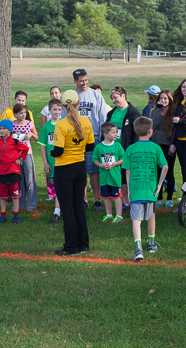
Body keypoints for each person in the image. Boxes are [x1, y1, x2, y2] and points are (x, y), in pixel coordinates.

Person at [51, 89, 95, 256]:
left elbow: (59, 151)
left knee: (67, 208)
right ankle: (83, 244)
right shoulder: (86, 122)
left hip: (64, 169)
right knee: (78, 207)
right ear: (78, 103)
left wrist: (51, 153)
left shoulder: (61, 124)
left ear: (63, 105)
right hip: (80, 168)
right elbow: (90, 146)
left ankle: (71, 247)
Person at [122, 117, 168, 262]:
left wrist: (129, 189)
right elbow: (165, 166)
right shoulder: (156, 148)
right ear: (150, 131)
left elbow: (127, 170)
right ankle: (151, 244)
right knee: (151, 215)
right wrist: (159, 185)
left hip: (135, 190)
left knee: (136, 219)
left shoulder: (131, 148)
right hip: (150, 189)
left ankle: (138, 249)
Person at [73, 69, 107, 208]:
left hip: (93, 138)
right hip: (75, 140)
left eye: (86, 80)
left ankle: (97, 199)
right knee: (80, 171)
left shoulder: (96, 95)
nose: (84, 83)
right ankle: (83, 199)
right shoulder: (71, 96)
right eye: (81, 81)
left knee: (94, 170)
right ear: (75, 81)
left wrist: (102, 136)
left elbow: (103, 117)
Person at [106, 85, 141, 210]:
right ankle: (124, 202)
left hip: (127, 150)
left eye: (115, 98)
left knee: (128, 177)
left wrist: (132, 151)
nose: (114, 101)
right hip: (113, 151)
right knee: (119, 177)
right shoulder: (111, 113)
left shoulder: (133, 113)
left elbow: (136, 134)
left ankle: (133, 201)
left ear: (123, 96)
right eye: (112, 99)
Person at [0, 119, 29, 223]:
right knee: (3, 196)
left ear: (10, 130)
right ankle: (3, 215)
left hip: (13, 171)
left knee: (15, 196)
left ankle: (16, 215)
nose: (2, 130)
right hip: (1, 172)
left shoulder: (15, 141)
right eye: (0, 128)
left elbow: (25, 149)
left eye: (4, 128)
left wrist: (20, 159)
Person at [92, 122, 125, 224]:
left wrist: (114, 165)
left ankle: (119, 216)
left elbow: (123, 159)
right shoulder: (99, 147)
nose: (116, 134)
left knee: (116, 197)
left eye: (116, 132)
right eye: (113, 132)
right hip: (104, 178)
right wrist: (101, 165)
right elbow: (94, 159)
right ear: (105, 134)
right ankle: (109, 214)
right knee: (106, 197)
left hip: (115, 178)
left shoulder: (117, 146)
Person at [150, 89, 176, 207]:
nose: (163, 100)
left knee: (169, 171)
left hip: (169, 145)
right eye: (161, 98)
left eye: (165, 98)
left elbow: (175, 130)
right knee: (158, 171)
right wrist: (159, 111)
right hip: (157, 144)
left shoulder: (174, 112)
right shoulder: (154, 111)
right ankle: (159, 199)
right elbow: (154, 125)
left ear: (170, 100)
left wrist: (173, 143)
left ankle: (169, 199)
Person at [38, 99, 63, 223]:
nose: (57, 112)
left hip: (63, 162)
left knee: (62, 187)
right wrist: (45, 163)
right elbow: (43, 145)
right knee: (57, 186)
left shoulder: (64, 124)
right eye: (54, 109)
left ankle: (58, 211)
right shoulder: (46, 126)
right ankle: (59, 210)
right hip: (51, 163)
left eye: (59, 109)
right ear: (49, 110)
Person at [12, 103, 39, 212]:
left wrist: (31, 134)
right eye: (20, 113)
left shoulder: (29, 124)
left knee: (30, 180)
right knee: (19, 180)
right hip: (15, 156)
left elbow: (37, 138)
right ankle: (19, 204)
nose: (23, 115)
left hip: (27, 154)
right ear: (15, 114)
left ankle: (31, 205)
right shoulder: (11, 124)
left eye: (24, 113)